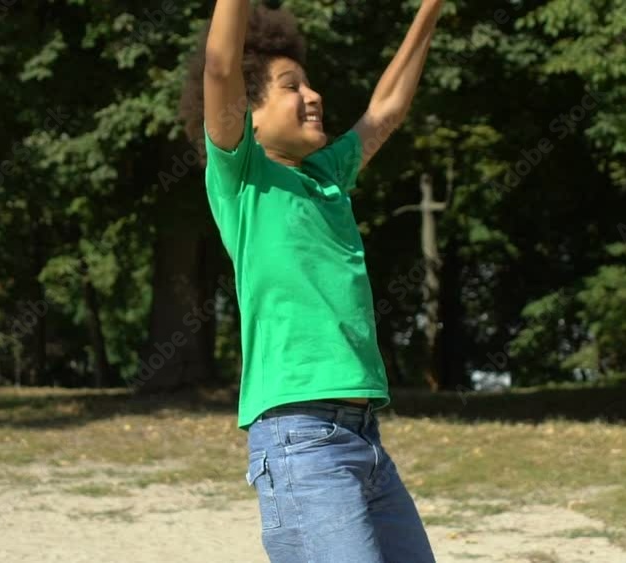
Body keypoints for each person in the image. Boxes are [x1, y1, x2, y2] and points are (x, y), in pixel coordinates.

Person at [179, 1, 443, 561]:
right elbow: (221, 67)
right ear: (248, 115)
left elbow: (388, 108)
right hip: (301, 442)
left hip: (365, 437)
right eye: (290, 86)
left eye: (309, 83)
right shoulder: (241, 176)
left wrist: (431, 8)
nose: (313, 95)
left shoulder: (328, 177)